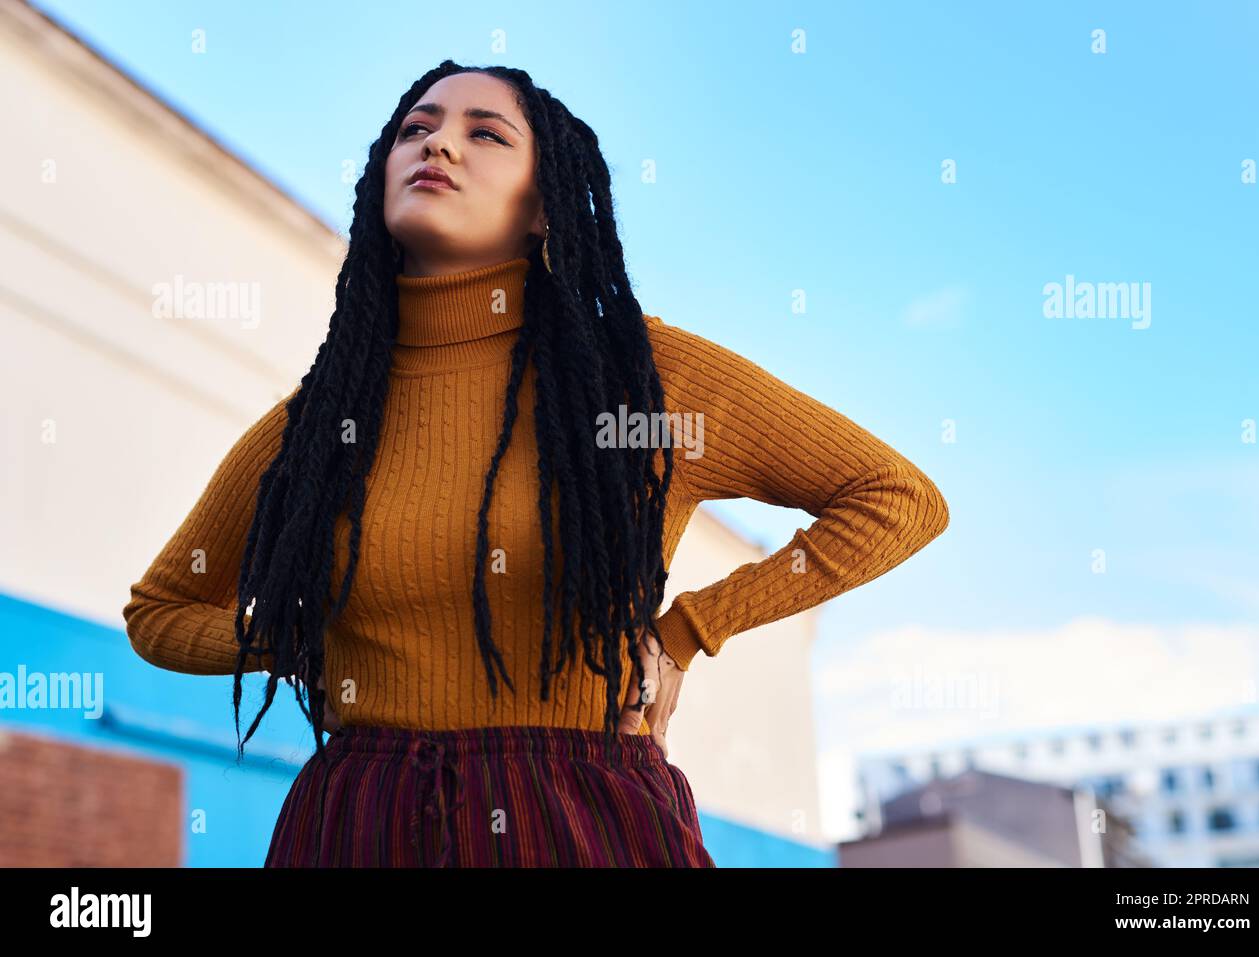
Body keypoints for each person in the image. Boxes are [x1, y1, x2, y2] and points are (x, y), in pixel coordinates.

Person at [122, 61, 950, 868]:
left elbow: (895, 497)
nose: (438, 146)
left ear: (543, 207)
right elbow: (159, 610)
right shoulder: (317, 424)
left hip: (580, 811)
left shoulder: (641, 378)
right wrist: (299, 639)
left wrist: (691, 629)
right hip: (359, 818)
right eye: (416, 129)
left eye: (484, 134)